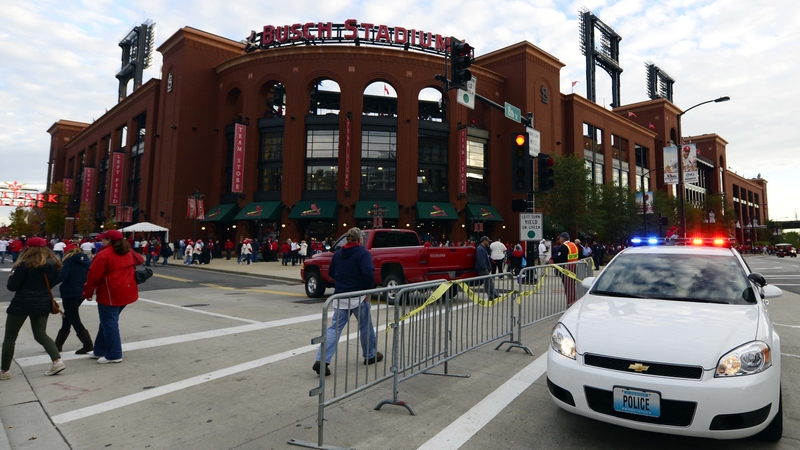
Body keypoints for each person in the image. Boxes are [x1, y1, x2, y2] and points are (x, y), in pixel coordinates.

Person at [313, 227, 382, 377]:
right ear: (360, 239)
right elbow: (368, 273)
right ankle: (370, 355)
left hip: (340, 296)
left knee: (334, 329)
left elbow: (331, 272)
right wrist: (368, 291)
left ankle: (322, 360)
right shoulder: (363, 253)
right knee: (365, 327)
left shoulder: (339, 254)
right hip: (358, 296)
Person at [2, 237, 66, 380]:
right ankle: (57, 361)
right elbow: (53, 283)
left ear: (28, 249)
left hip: (21, 304)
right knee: (41, 334)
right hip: (42, 303)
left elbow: (12, 287)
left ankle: (4, 370)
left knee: (10, 337)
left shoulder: (24, 265)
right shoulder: (54, 265)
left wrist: (11, 277)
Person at [82, 229, 140, 364]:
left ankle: (114, 354)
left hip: (110, 294)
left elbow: (93, 276)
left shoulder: (104, 255)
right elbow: (140, 259)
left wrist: (88, 292)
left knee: (109, 323)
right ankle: (100, 350)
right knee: (107, 322)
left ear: (109, 240)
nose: (100, 241)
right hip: (127, 291)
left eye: (103, 239)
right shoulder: (128, 252)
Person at [53, 247, 93, 354]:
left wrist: (50, 283)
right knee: (68, 316)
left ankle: (88, 344)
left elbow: (63, 275)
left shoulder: (69, 260)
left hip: (69, 291)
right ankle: (58, 344)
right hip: (82, 291)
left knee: (73, 318)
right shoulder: (87, 261)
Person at [549, 232, 580, 307]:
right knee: (572, 287)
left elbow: (560, 260)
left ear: (562, 238)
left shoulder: (563, 247)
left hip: (565, 270)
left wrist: (554, 263)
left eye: (560, 238)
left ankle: (570, 304)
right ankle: (573, 302)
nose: (559, 240)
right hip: (574, 268)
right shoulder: (573, 245)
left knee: (568, 288)